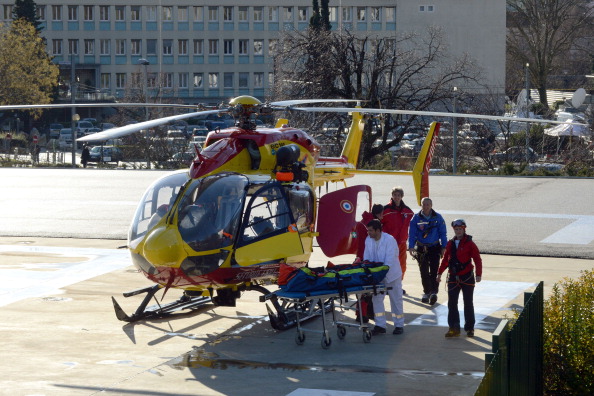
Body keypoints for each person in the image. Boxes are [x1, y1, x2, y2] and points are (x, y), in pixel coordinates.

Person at [437, 219, 482, 337]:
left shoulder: (470, 244)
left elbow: (477, 259)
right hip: (453, 276)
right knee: (452, 303)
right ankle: (454, 327)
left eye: (460, 229)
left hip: (467, 277)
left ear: (464, 229)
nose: (458, 231)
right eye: (456, 229)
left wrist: (478, 274)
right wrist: (439, 273)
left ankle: (469, 328)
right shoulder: (450, 244)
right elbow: (446, 260)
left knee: (468, 302)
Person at [364, 219, 404, 335]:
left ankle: (399, 325)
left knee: (396, 300)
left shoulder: (389, 240)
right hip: (377, 276)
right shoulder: (368, 240)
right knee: (376, 300)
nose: (368, 233)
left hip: (392, 276)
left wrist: (380, 274)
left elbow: (389, 261)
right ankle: (380, 325)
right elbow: (367, 258)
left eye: (370, 230)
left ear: (377, 230)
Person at [408, 197, 447, 306]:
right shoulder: (415, 218)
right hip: (421, 249)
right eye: (424, 204)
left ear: (431, 205)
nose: (425, 207)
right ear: (421, 205)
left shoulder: (438, 218)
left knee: (434, 271)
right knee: (424, 272)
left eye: (428, 204)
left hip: (434, 247)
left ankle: (434, 292)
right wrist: (411, 247)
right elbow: (412, 234)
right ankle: (427, 292)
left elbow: (443, 233)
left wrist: (444, 246)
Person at [382, 186, 414, 290]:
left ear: (401, 196)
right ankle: (387, 284)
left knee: (402, 264)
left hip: (402, 242)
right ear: (392, 196)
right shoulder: (385, 209)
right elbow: (378, 223)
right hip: (389, 243)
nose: (396, 197)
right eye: (395, 195)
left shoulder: (408, 211)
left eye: (398, 195)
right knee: (388, 263)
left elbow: (414, 226)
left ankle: (398, 285)